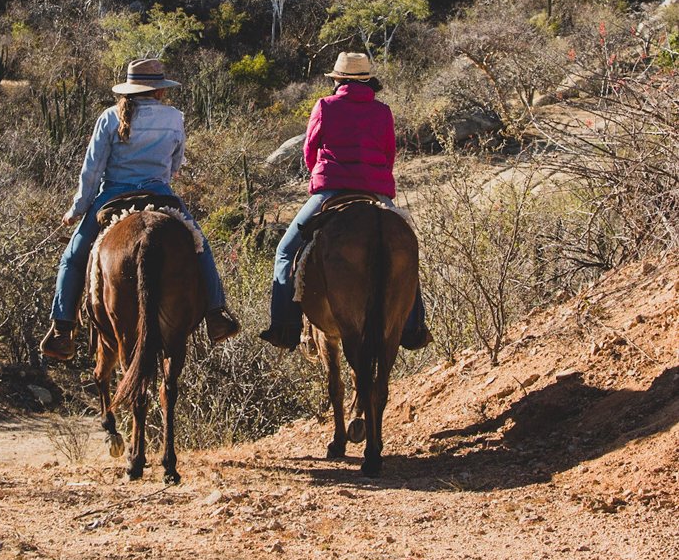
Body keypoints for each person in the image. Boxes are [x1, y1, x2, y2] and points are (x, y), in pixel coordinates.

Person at [40, 58, 239, 362]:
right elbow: (175, 163)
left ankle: (62, 328)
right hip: (159, 192)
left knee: (73, 257)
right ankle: (216, 314)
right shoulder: (174, 118)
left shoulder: (109, 118)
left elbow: (92, 170)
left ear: (129, 90)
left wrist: (78, 208)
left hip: (114, 194)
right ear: (160, 91)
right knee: (201, 247)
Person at [259, 51, 431, 352]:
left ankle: (285, 326)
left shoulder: (325, 106)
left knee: (285, 251)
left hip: (332, 189)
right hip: (375, 192)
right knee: (407, 249)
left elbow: (310, 151)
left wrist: (322, 175)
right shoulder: (382, 111)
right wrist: (375, 180)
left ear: (337, 79)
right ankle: (414, 326)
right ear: (367, 79)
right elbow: (390, 154)